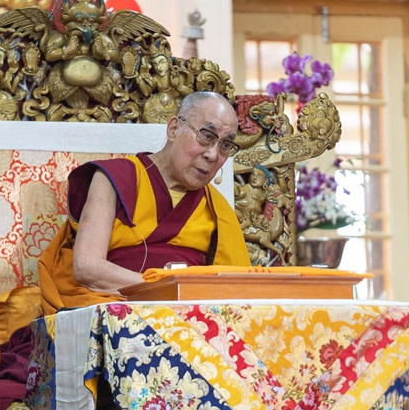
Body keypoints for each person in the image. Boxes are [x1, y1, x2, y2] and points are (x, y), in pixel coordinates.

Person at [39, 91, 251, 314]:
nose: (213, 154)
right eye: (207, 135)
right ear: (173, 129)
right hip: (115, 307)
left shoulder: (217, 208)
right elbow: (87, 268)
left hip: (191, 313)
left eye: (226, 145)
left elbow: (237, 289)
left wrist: (180, 302)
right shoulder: (115, 179)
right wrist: (163, 292)